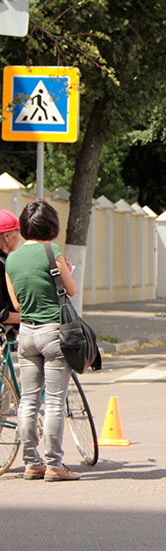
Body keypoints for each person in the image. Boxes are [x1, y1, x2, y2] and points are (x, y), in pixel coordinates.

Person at [5, 200, 79, 481]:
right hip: (53, 333)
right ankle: (54, 465)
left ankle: (31, 463)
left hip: (26, 334)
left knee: (28, 401)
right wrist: (65, 269)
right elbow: (70, 290)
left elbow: (17, 304)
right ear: (52, 226)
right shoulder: (52, 251)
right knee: (55, 401)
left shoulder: (12, 259)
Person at [0, 209, 21, 334]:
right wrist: (30, 318)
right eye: (17, 233)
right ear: (7, 236)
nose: (19, 238)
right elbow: (2, 314)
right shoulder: (2, 264)